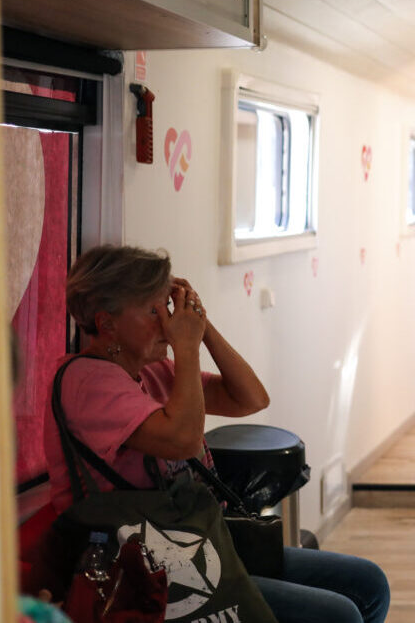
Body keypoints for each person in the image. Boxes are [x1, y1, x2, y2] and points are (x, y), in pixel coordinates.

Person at [44, 245, 390, 623]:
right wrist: (187, 347)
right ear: (106, 323)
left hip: (197, 538)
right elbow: (184, 440)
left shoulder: (151, 370)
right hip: (140, 564)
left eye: (168, 307)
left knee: (368, 583)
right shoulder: (87, 381)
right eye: (153, 310)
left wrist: (202, 327)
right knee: (337, 615)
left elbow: (250, 398)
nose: (168, 322)